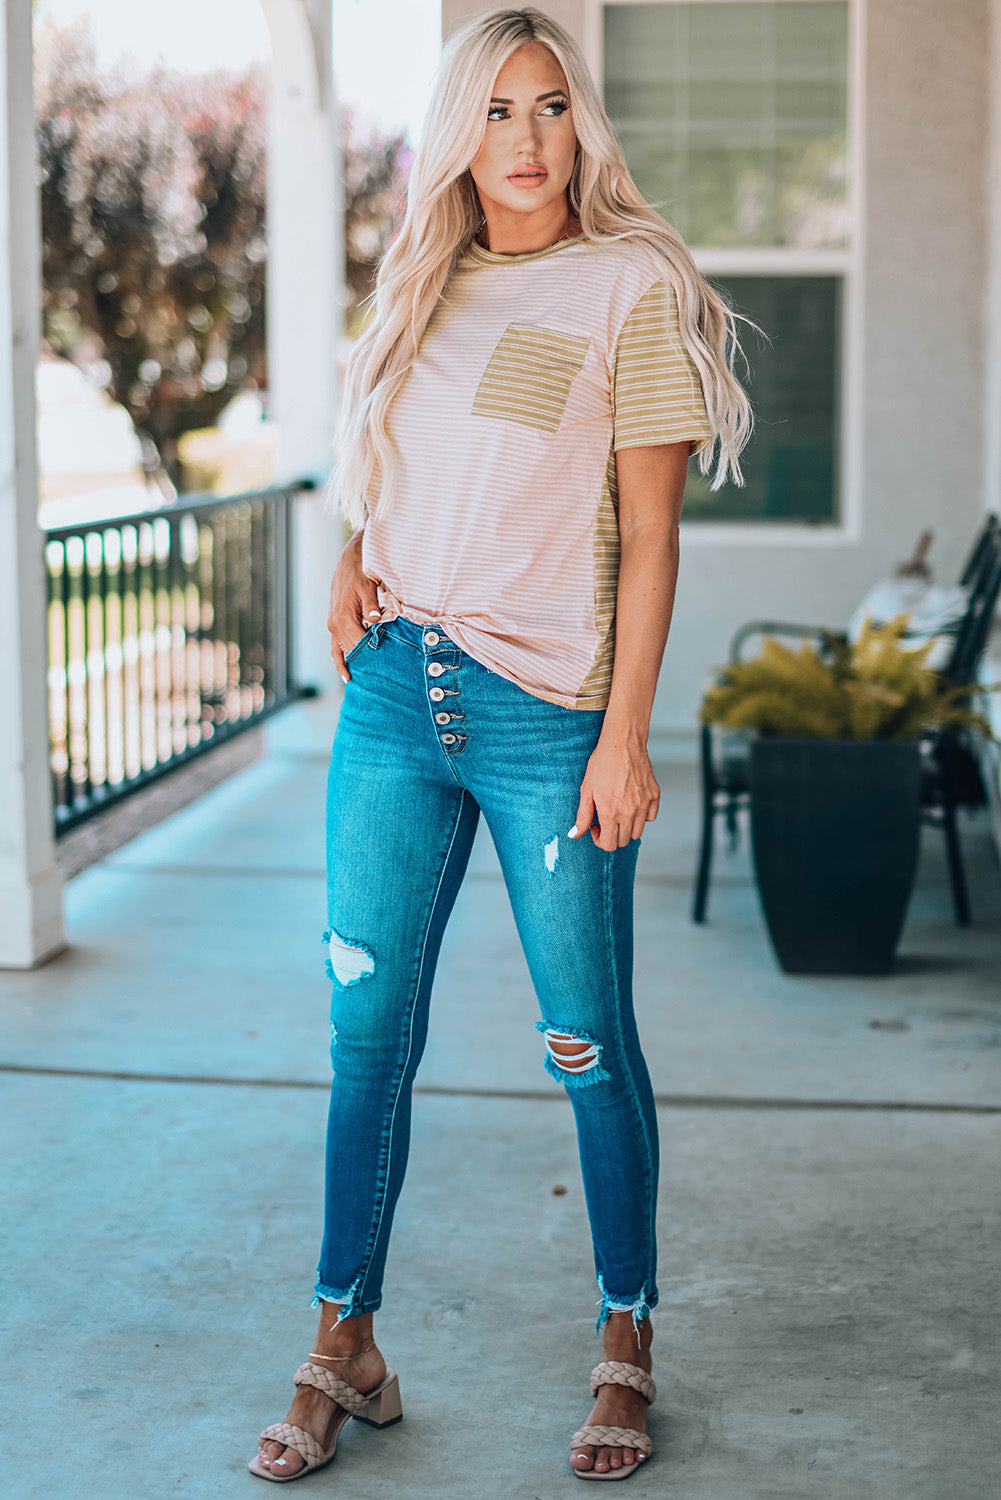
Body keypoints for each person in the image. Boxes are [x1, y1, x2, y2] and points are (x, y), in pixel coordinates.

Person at [249, 6, 750, 1485]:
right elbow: (402, 459)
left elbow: (650, 536)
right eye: (496, 112)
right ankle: (344, 1345)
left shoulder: (626, 288)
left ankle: (625, 1341)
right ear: (455, 135)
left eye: (548, 110)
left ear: (577, 124)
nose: (526, 142)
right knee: (364, 1040)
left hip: (550, 718)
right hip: (399, 698)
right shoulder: (425, 282)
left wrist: (624, 736)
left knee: (584, 1046)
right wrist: (350, 551)